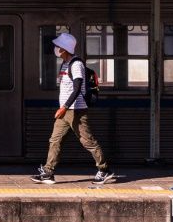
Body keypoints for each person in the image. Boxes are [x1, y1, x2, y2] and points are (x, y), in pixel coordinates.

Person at [31, 31, 115, 186]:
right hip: (65, 111)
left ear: (63, 49)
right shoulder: (65, 63)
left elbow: (77, 89)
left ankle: (104, 170)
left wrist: (65, 107)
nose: (55, 48)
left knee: (87, 141)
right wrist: (63, 109)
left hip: (76, 110)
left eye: (58, 46)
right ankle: (48, 172)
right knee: (55, 140)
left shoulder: (76, 64)